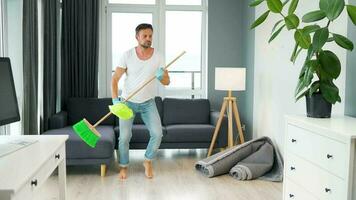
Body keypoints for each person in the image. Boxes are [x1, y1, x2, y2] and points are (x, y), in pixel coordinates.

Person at [111, 23, 170, 179]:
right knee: (124, 137)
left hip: (148, 102)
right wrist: (115, 100)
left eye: (150, 36)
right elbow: (115, 79)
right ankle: (123, 166)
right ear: (137, 37)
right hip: (127, 102)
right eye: (145, 36)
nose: (148, 38)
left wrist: (161, 76)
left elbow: (167, 82)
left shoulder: (159, 56)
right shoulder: (127, 55)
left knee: (157, 134)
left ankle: (148, 161)